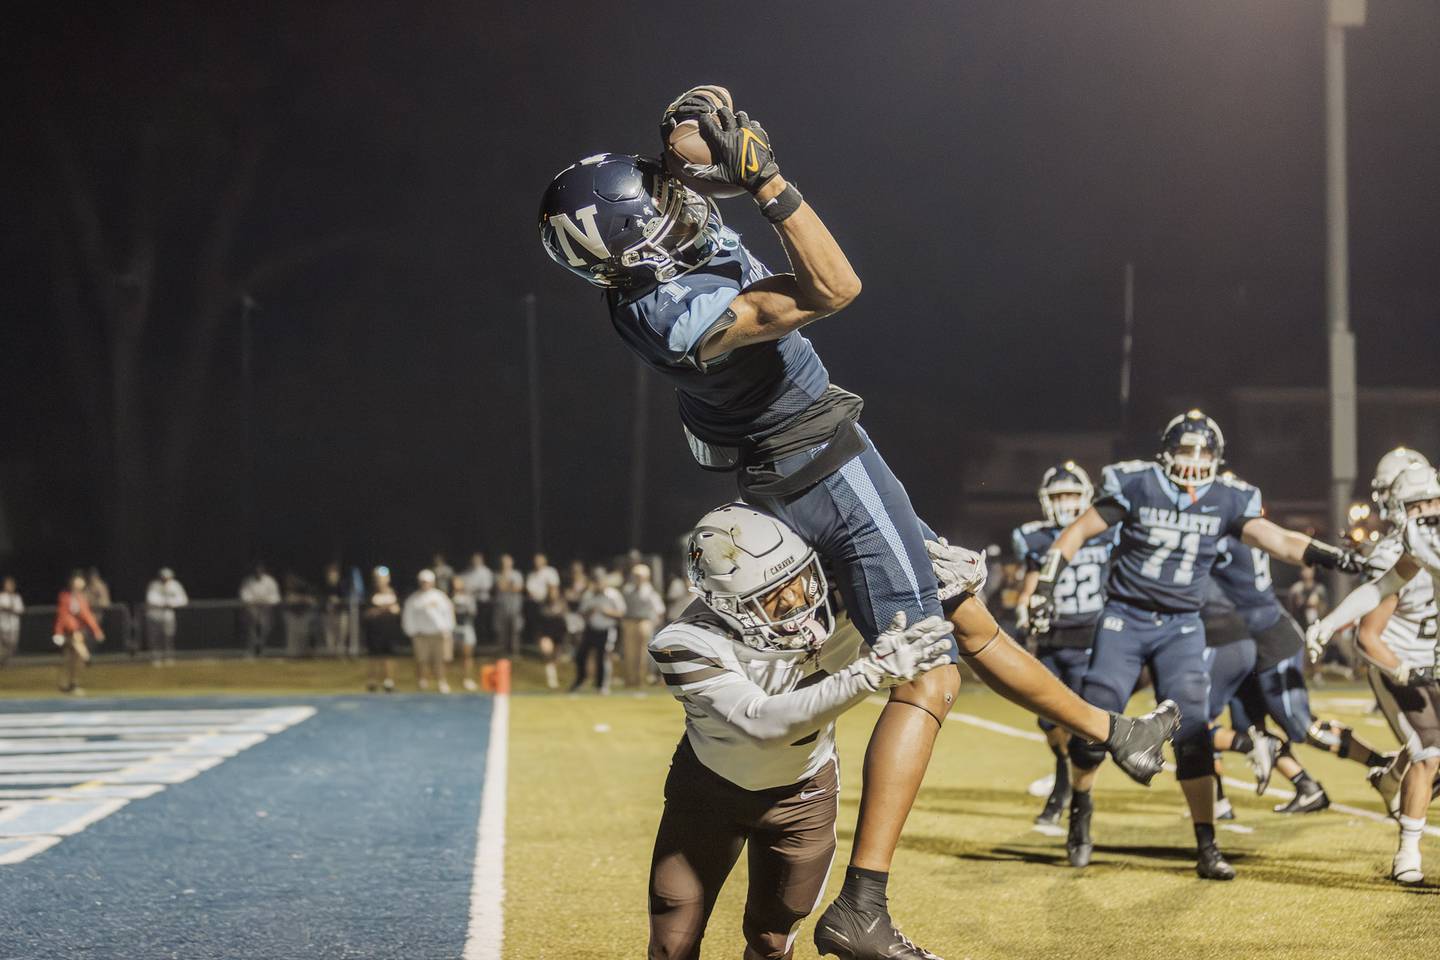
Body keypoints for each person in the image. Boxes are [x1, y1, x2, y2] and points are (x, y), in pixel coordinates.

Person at [540, 101, 1176, 956]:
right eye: (657, 203)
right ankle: (861, 907)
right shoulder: (671, 311)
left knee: (965, 614)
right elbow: (837, 288)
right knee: (930, 677)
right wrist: (768, 180)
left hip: (810, 460)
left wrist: (689, 145)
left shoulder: (650, 273)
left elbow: (700, 152)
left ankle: (1115, 734)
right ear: (634, 242)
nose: (677, 202)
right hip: (825, 469)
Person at [1028, 410, 1363, 880]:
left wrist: (1335, 556)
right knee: (1094, 727)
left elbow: (1280, 541)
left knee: (1192, 732)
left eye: (1203, 451)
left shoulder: (1227, 499)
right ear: (1166, 453)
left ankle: (1207, 844)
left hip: (1181, 626)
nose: (1195, 459)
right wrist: (1045, 586)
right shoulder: (1138, 484)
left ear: (1217, 457)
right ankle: (1081, 806)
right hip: (1124, 618)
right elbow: (1077, 532)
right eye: (1186, 450)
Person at [648, 504, 954, 960]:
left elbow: (895, 540)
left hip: (803, 797)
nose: (796, 600)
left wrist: (948, 569)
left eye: (799, 579)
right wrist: (869, 673)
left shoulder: (834, 592)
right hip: (708, 793)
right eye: (772, 595)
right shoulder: (685, 642)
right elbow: (763, 723)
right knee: (673, 944)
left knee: (773, 941)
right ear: (725, 605)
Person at [1306, 463, 1440, 884]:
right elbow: (1377, 595)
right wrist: (1328, 624)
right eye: (1420, 505)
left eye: (1434, 502)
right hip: (1404, 660)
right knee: (1430, 751)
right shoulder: (1411, 549)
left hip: (1433, 654)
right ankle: (1407, 853)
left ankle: (1388, 779)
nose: (1430, 511)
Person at [1208, 524, 1392, 815]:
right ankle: (1306, 787)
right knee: (1249, 732)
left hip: (1269, 641)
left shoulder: (1219, 536)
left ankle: (1384, 764)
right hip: (1243, 644)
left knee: (1304, 729)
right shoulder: (1235, 532)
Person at [1012, 463, 1116, 826]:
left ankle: (1068, 790)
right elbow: (1029, 583)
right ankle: (1061, 770)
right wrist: (1025, 608)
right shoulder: (1035, 537)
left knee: (1082, 721)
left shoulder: (1104, 533)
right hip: (1052, 639)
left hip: (1092, 637)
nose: (1065, 502)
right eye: (1058, 496)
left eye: (1071, 494)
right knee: (1048, 720)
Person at [572, 566, 625, 694]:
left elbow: (621, 613)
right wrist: (590, 612)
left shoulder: (613, 595)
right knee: (580, 655)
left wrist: (608, 612)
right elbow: (581, 613)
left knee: (603, 657)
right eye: (595, 581)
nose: (598, 584)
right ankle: (581, 680)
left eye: (600, 581)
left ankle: (602, 685)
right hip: (591, 629)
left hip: (607, 629)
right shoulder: (589, 595)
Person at [403, 569, 455, 693]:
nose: (425, 584)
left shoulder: (440, 597)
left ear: (432, 582)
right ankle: (422, 681)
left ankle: (442, 681)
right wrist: (412, 632)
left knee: (440, 660)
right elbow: (408, 616)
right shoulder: (414, 599)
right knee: (421, 660)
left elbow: (448, 614)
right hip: (421, 635)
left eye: (427, 582)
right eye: (423, 582)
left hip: (438, 634)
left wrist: (448, 630)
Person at [53, 572, 104, 694]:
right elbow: (62, 615)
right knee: (75, 648)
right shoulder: (65, 596)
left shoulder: (81, 598)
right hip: (69, 631)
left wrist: (97, 630)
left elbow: (87, 615)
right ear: (72, 582)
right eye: (77, 580)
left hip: (78, 630)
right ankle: (86, 657)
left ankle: (70, 683)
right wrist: (58, 632)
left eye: (81, 580)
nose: (80, 583)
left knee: (72, 659)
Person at [621, 563, 665, 689]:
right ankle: (630, 681)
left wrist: (653, 623)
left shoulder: (650, 591)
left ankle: (641, 681)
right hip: (629, 622)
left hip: (644, 622)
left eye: (639, 576)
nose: (637, 578)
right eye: (635, 575)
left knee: (642, 654)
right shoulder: (627, 589)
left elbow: (659, 610)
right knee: (629, 653)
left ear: (646, 577)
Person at [363, 566, 400, 692]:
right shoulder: (370, 593)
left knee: (389, 656)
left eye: (383, 578)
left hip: (389, 630)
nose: (381, 580)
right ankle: (372, 681)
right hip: (374, 631)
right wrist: (383, 609)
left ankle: (388, 681)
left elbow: (397, 610)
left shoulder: (393, 592)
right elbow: (366, 613)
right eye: (378, 578)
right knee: (373, 656)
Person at [145, 567, 188, 666]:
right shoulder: (154, 585)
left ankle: (169, 657)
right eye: (163, 577)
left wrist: (170, 603)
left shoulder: (175, 585)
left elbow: (183, 600)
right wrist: (166, 603)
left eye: (167, 577)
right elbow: (151, 599)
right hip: (154, 616)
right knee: (155, 638)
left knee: (168, 637)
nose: (165, 579)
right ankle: (155, 658)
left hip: (168, 616)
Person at [239, 563, 281, 655]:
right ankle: (251, 650)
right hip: (252, 609)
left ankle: (263, 648)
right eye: (256, 570)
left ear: (263, 570)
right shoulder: (248, 581)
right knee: (251, 630)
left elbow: (275, 596)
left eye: (260, 570)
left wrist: (265, 601)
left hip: (266, 609)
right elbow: (244, 595)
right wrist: (254, 602)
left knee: (266, 629)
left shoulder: (270, 581)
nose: (258, 572)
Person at [524, 552, 562, 652]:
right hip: (534, 605)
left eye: (539, 560)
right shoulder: (532, 574)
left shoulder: (550, 571)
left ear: (545, 561)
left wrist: (552, 602)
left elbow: (554, 589)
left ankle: (554, 653)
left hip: (547, 604)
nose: (537, 562)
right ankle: (544, 652)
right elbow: (529, 591)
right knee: (539, 631)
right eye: (535, 560)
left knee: (551, 631)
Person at [493, 554, 525, 657]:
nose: (505, 564)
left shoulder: (517, 574)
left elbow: (518, 588)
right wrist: (510, 584)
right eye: (503, 561)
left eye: (507, 561)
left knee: (515, 629)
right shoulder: (497, 574)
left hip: (515, 606)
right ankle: (502, 651)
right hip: (501, 606)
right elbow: (501, 587)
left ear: (512, 562)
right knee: (502, 630)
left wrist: (509, 585)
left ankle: (515, 652)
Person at [461, 552, 495, 648]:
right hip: (472, 601)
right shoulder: (469, 571)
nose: (475, 561)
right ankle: (476, 644)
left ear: (482, 560)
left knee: (483, 623)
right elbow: (464, 583)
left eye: (478, 559)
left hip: (483, 601)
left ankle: (485, 643)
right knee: (475, 623)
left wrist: (474, 588)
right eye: (474, 559)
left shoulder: (486, 571)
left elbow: (487, 586)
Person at [452, 574, 479, 691]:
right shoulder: (450, 596)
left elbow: (473, 612)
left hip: (466, 628)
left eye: (459, 582)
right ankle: (448, 679)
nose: (457, 585)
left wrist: (463, 606)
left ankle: (467, 679)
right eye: (455, 583)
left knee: (467, 656)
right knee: (451, 656)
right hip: (454, 628)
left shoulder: (469, 597)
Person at [282, 572, 319, 657]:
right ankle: (292, 655)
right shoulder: (287, 590)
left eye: (291, 580)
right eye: (288, 581)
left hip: (303, 616)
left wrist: (301, 600)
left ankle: (304, 654)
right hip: (292, 616)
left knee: (303, 635)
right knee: (292, 638)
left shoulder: (304, 588)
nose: (289, 582)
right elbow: (287, 601)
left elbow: (312, 601)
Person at [321, 562, 350, 657]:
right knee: (329, 636)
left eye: (334, 573)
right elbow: (320, 600)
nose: (332, 575)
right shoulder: (324, 586)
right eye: (330, 573)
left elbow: (347, 600)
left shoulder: (343, 586)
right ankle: (330, 655)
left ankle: (341, 654)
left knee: (341, 635)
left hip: (341, 614)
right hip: (328, 615)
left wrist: (339, 602)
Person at [0, 576, 23, 667]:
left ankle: (3, 661)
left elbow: (21, 610)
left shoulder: (17, 597)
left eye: (11, 585)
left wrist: (11, 609)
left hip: (14, 626)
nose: (9, 587)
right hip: (2, 625)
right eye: (8, 585)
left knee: (13, 646)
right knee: (2, 646)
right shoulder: (1, 596)